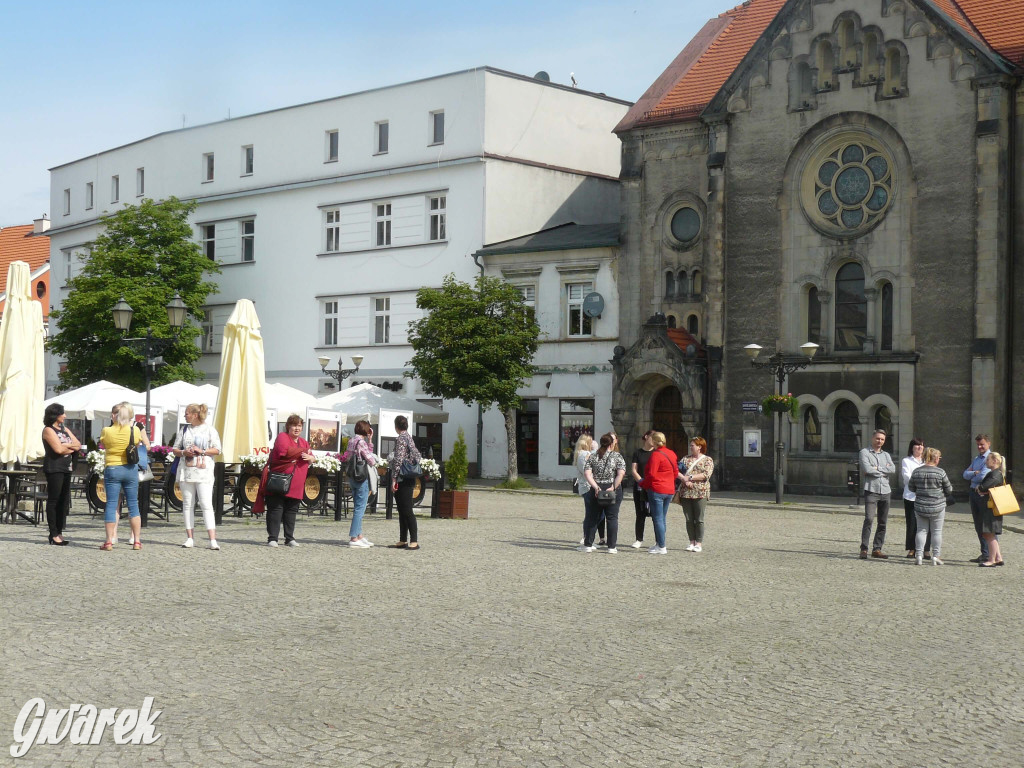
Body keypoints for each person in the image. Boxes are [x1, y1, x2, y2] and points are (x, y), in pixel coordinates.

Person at [256, 414, 313, 547]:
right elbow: (285, 452)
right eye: (294, 425)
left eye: (299, 425)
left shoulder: (303, 442)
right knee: (276, 509)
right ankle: (272, 538)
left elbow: (311, 457)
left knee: (291, 511)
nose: (297, 428)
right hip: (279, 481)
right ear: (288, 426)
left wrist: (312, 458)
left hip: (296, 484)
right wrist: (305, 451)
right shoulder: (283, 437)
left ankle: (289, 537)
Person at [171, 403, 222, 550]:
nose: (184, 415)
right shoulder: (184, 430)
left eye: (187, 413)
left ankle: (212, 539)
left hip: (204, 472)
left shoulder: (210, 430)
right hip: (187, 471)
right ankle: (189, 537)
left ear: (195, 415)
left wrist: (203, 451)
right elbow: (175, 448)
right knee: (188, 504)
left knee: (206, 504)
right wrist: (183, 452)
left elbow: (218, 449)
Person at [99, 403, 149, 550]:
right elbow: (139, 443)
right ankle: (137, 541)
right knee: (133, 504)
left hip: (113, 468)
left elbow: (104, 443)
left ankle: (109, 541)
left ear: (115, 415)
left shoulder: (107, 430)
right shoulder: (134, 430)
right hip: (130, 469)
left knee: (112, 504)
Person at [41, 403, 81, 545]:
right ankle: (53, 533)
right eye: (62, 413)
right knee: (54, 500)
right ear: (55, 414)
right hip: (54, 468)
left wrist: (66, 446)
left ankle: (59, 531)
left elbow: (78, 444)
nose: (64, 416)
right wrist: (69, 447)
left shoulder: (64, 429)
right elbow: (57, 450)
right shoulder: (48, 430)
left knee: (63, 501)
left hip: (66, 468)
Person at [639, 432, 683, 555]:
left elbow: (651, 474)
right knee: (662, 518)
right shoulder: (671, 453)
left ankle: (662, 546)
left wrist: (644, 484)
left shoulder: (656, 455)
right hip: (669, 489)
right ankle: (659, 542)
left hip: (657, 489)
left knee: (657, 518)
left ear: (654, 441)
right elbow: (675, 472)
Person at [581, 432, 626, 553]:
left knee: (593, 517)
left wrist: (595, 487)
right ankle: (611, 547)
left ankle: (588, 545)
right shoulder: (617, 456)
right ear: (611, 444)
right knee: (612, 518)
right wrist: (613, 487)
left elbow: (587, 473)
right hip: (612, 488)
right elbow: (620, 473)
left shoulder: (593, 456)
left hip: (597, 488)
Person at [908, 447, 953, 565]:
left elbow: (911, 487)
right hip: (937, 505)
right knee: (936, 532)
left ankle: (918, 555)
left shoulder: (917, 471)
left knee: (921, 531)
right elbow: (949, 489)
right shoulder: (940, 472)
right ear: (936, 458)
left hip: (920, 505)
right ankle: (936, 556)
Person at [339, 420, 377, 548]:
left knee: (358, 506)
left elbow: (349, 457)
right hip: (361, 477)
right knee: (360, 508)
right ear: (366, 430)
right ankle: (354, 537)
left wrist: (370, 441)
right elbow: (370, 460)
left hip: (352, 477)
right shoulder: (361, 442)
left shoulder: (351, 441)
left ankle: (359, 535)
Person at [858, 429, 895, 559]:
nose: (880, 441)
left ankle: (877, 548)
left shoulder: (886, 455)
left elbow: (893, 469)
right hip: (871, 490)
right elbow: (867, 469)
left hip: (885, 490)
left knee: (882, 522)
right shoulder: (864, 452)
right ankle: (864, 548)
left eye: (882, 439)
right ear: (872, 438)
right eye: (878, 438)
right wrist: (883, 470)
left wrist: (876, 469)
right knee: (869, 519)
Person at [678, 437, 715, 553]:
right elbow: (677, 471)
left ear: (699, 447)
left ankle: (698, 543)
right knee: (689, 519)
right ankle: (691, 541)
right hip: (686, 492)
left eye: (693, 445)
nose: (691, 447)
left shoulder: (707, 460)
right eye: (690, 445)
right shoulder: (685, 459)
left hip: (700, 492)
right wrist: (684, 479)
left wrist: (690, 477)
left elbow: (706, 474)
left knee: (699, 519)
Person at [391, 415, 422, 550]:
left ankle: (413, 540)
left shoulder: (401, 439)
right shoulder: (409, 437)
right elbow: (418, 456)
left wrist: (393, 478)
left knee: (406, 509)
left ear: (396, 426)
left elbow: (398, 459)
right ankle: (403, 539)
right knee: (403, 509)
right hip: (410, 476)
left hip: (402, 476)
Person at [963, 433, 993, 563]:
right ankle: (984, 553)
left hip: (983, 494)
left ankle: (991, 554)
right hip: (973, 493)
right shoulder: (977, 459)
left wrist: (973, 474)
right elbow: (964, 474)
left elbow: (983, 477)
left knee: (985, 525)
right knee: (977, 525)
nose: (980, 446)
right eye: (978, 444)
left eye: (982, 444)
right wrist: (975, 472)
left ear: (988, 443)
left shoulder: (990, 458)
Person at [975, 451, 1007, 567]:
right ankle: (998, 557)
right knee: (989, 533)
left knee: (989, 534)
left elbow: (983, 487)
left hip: (991, 509)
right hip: (991, 508)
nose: (986, 461)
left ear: (995, 461)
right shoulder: (996, 473)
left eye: (988, 459)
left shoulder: (995, 474)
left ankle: (991, 559)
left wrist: (980, 488)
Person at [901, 438, 927, 558]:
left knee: (926, 524)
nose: (919, 448)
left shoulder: (926, 461)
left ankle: (925, 549)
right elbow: (907, 478)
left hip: (925, 496)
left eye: (921, 446)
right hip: (910, 496)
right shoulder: (906, 461)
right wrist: (921, 481)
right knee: (912, 523)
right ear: (912, 447)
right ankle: (912, 548)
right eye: (917, 446)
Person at [572, 434, 600, 545]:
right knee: (592, 514)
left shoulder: (580, 454)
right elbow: (588, 471)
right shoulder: (585, 454)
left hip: (586, 485)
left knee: (592, 513)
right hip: (588, 486)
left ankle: (588, 536)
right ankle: (587, 537)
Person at [629, 430, 654, 549]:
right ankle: (639, 539)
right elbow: (634, 470)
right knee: (640, 513)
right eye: (652, 437)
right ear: (646, 437)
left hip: (653, 486)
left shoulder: (657, 453)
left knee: (656, 514)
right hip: (640, 486)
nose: (654, 440)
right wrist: (641, 481)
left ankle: (658, 540)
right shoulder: (638, 452)